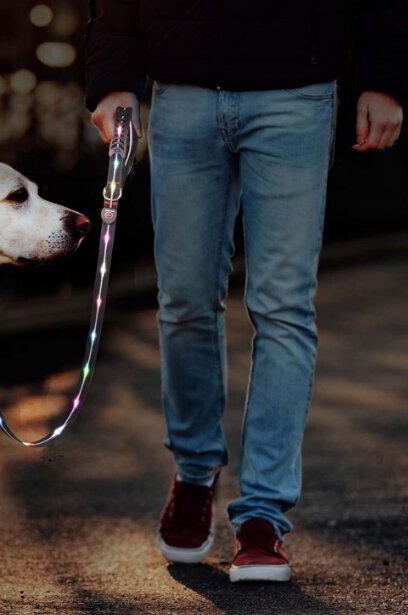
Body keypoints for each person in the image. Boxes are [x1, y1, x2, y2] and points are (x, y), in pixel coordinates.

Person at [84, 0, 406, 582]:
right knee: (182, 301)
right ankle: (193, 472)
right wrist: (112, 78)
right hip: (181, 90)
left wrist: (385, 77)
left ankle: (262, 517)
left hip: (297, 90)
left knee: (282, 306)